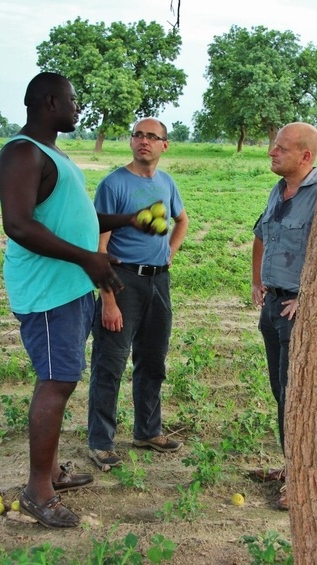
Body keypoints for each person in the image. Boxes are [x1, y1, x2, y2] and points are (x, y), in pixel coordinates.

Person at [0, 72, 156, 528]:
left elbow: (72, 215)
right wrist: (89, 259)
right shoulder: (22, 153)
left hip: (69, 289)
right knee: (56, 382)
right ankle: (38, 491)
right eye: (72, 99)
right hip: (48, 293)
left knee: (60, 380)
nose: (77, 107)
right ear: (49, 102)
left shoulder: (51, 154)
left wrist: (129, 220)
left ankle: (49, 473)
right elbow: (18, 225)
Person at [87, 118, 189, 469]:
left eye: (152, 137)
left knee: (153, 360)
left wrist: (169, 254)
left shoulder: (166, 182)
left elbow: (182, 220)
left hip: (159, 283)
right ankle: (100, 442)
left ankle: (147, 431)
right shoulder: (113, 184)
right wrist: (109, 299)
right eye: (138, 135)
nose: (143, 141)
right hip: (123, 280)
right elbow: (101, 245)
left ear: (165, 145)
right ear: (131, 142)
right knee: (110, 363)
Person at [251, 122, 317, 511]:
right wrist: (256, 281)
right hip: (272, 305)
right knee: (282, 393)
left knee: (297, 398)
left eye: (280, 148)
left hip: (297, 311)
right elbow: (261, 234)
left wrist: (308, 297)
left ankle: (301, 479)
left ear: (305, 157)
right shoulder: (278, 191)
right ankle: (290, 465)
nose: (271, 153)